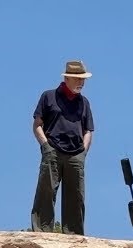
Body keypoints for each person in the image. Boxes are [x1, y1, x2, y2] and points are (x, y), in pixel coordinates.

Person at [30, 59, 95, 235]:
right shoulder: (48, 96)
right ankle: (42, 232)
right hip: (53, 150)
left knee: (76, 196)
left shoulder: (84, 102)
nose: (82, 82)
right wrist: (46, 146)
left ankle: (74, 235)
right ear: (66, 78)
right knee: (46, 192)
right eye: (78, 78)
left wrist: (83, 152)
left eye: (83, 79)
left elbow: (88, 130)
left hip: (76, 154)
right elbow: (37, 125)